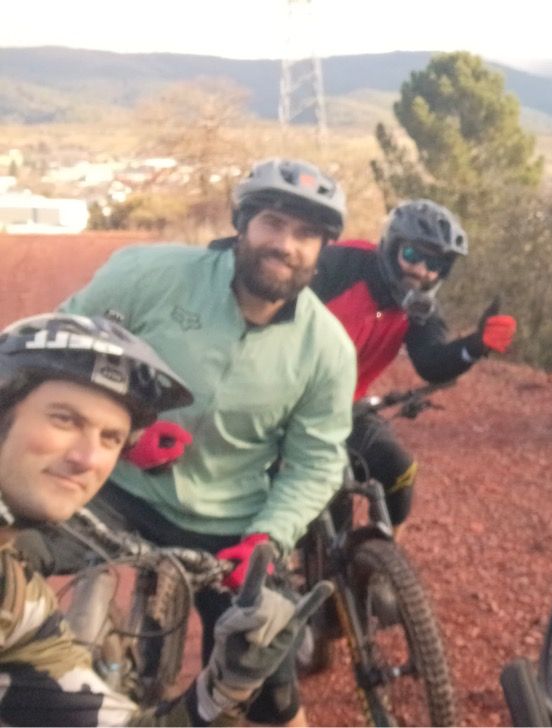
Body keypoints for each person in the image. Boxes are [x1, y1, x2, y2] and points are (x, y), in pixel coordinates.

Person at [22, 158, 357, 726]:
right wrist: (123, 435)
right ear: (242, 223)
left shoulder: (328, 348)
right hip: (111, 488)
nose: (286, 245)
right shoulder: (151, 275)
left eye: (305, 234)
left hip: (228, 524)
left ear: (322, 249)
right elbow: (58, 346)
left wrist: (268, 539)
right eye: (273, 223)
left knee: (268, 685)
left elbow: (316, 461)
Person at [0, 312, 331, 725]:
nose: (86, 458)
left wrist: (226, 688)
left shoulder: (19, 602)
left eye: (111, 438)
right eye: (64, 419)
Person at [307, 198, 516, 527]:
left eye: (435, 264)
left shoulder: (420, 310)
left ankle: (380, 552)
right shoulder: (340, 264)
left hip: (345, 410)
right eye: (411, 254)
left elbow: (431, 363)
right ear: (391, 247)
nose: (421, 270)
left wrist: (475, 345)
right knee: (307, 497)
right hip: (281, 403)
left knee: (399, 470)